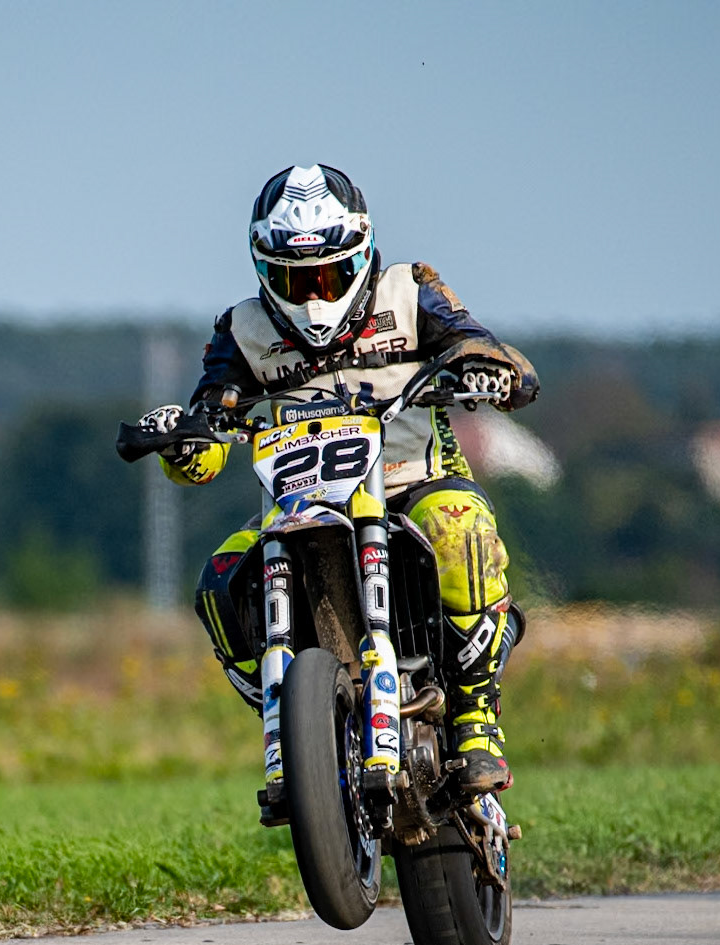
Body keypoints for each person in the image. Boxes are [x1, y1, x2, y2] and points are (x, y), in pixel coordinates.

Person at [139, 164, 537, 796]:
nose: (315, 297)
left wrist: (485, 369)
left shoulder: (411, 291)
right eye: (295, 281)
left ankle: (475, 723)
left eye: (328, 276)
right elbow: (213, 427)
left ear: (362, 252)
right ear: (264, 271)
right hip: (299, 506)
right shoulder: (241, 331)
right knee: (219, 580)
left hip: (414, 481)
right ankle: (304, 729)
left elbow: (482, 347)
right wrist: (185, 446)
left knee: (459, 526)